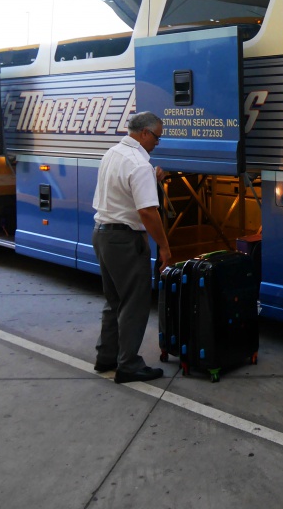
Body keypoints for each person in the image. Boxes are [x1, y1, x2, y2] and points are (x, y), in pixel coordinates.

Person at [92, 111, 173, 384]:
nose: (157, 144)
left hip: (102, 234)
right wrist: (164, 246)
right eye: (157, 138)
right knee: (134, 304)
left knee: (114, 301)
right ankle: (128, 364)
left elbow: (123, 191)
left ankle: (106, 357)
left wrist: (153, 179)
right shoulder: (139, 163)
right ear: (145, 134)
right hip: (125, 241)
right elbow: (148, 212)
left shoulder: (112, 153)